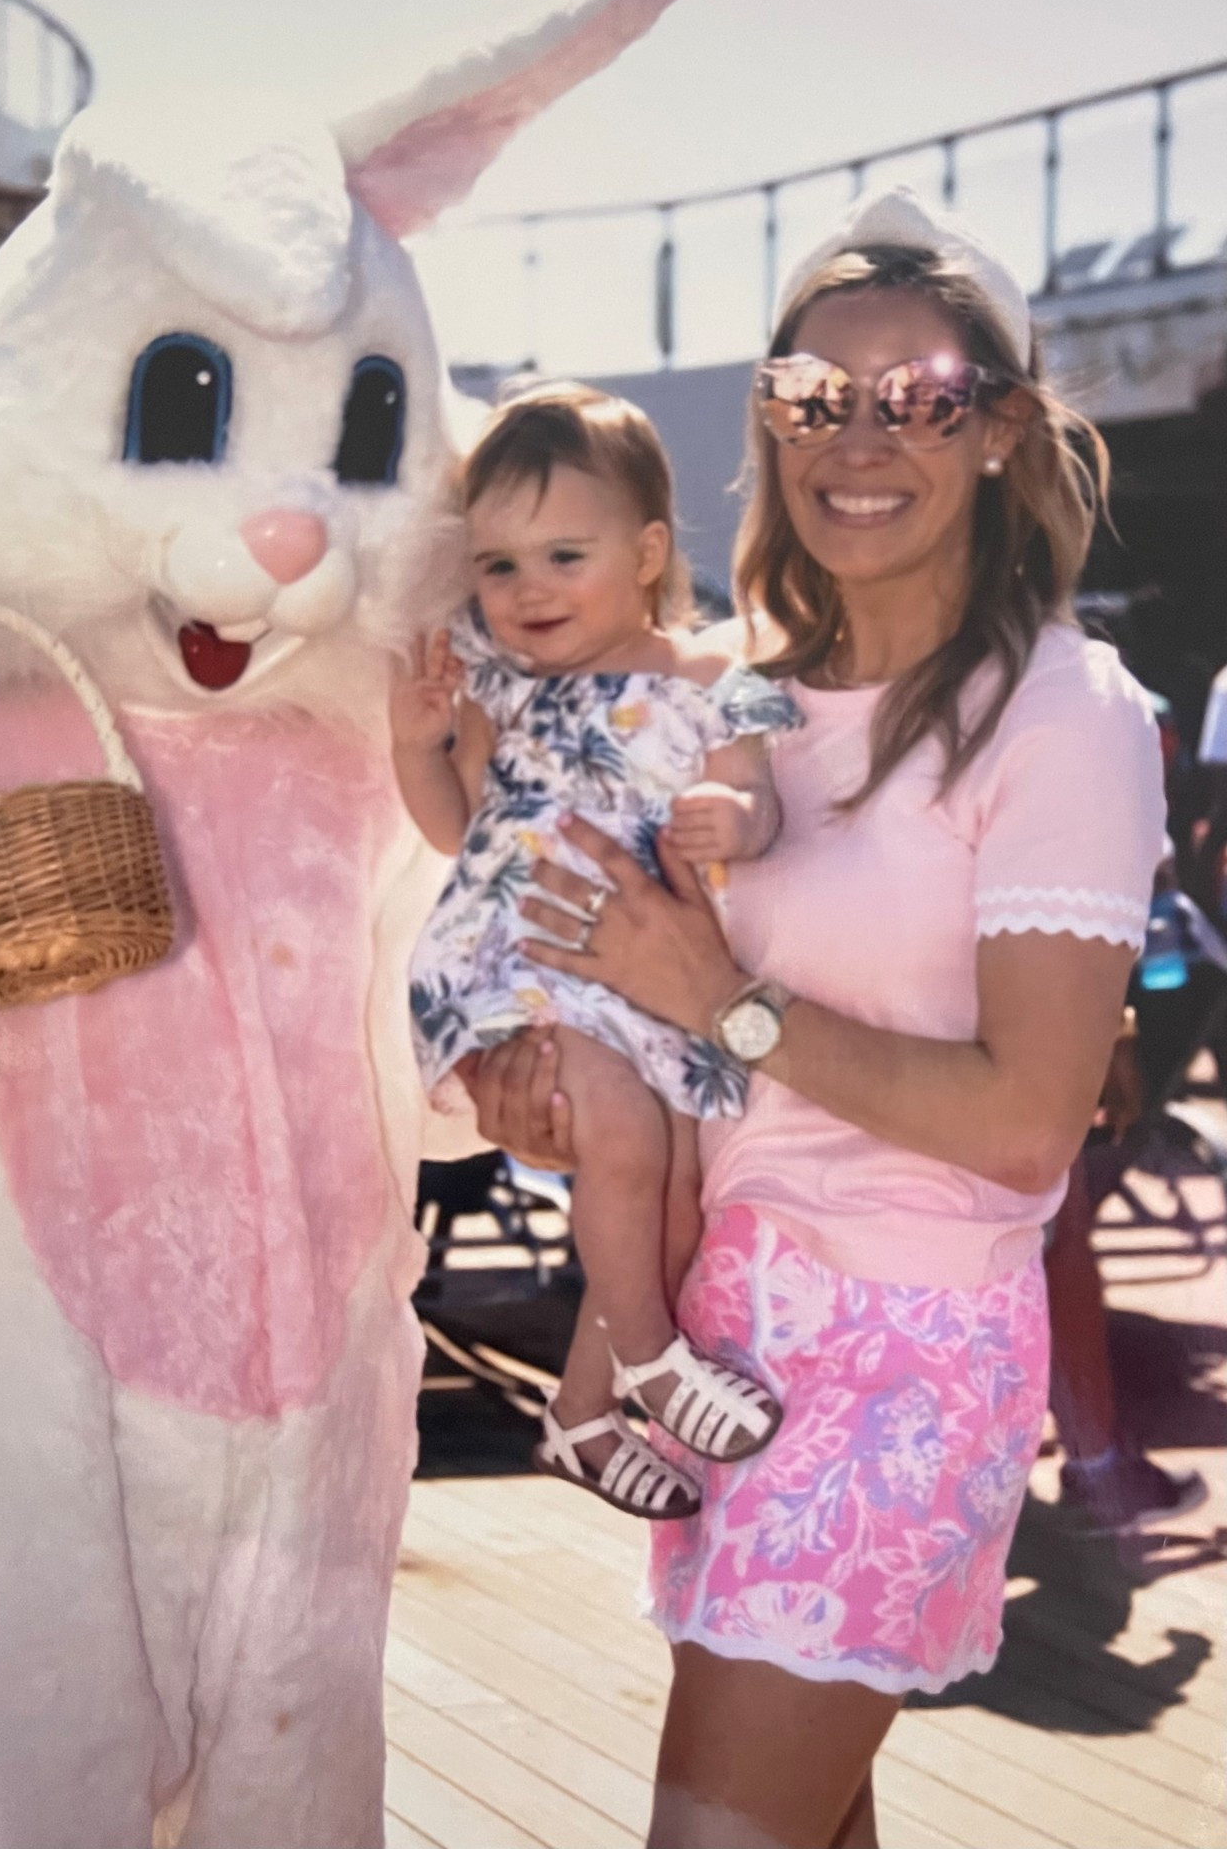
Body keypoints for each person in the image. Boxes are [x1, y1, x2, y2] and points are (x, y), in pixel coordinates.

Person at [462, 189, 1166, 1849]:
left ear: (997, 429)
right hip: (727, 1327)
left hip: (907, 1351)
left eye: (916, 395)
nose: (860, 436)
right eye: (811, 395)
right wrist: (560, 1086)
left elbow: (1023, 1117)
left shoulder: (1064, 714)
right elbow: (669, 1023)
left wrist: (728, 1002)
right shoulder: (737, 688)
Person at [394, 385, 799, 1520]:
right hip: (519, 959)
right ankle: (654, 1361)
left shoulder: (719, 681)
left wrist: (737, 816)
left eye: (564, 554)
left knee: (672, 1188)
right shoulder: (506, 692)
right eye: (500, 565)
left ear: (649, 549)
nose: (528, 590)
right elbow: (454, 825)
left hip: (642, 980)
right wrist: (416, 740)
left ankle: (580, 1413)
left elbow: (759, 801)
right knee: (623, 1142)